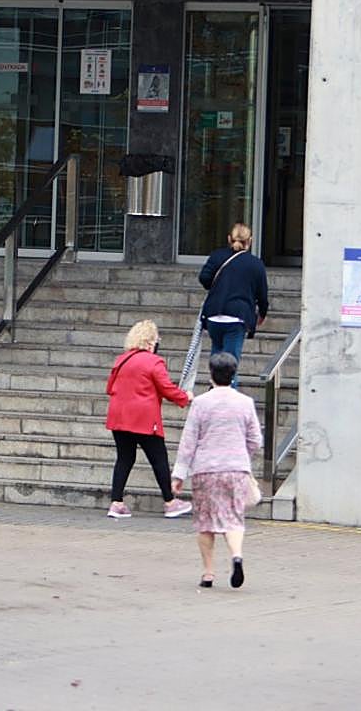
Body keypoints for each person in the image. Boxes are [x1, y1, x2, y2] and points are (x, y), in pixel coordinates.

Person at [172, 352, 262, 589]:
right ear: (233, 375)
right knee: (234, 519)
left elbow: (189, 440)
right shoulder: (245, 403)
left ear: (211, 374)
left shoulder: (201, 403)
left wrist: (179, 474)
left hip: (206, 470)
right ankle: (237, 556)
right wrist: (242, 455)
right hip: (236, 469)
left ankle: (209, 573)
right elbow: (256, 440)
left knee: (205, 522)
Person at [104, 320, 193, 520]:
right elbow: (166, 388)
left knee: (124, 458)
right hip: (144, 418)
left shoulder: (121, 360)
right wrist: (185, 397)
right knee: (158, 459)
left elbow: (109, 388)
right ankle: (170, 502)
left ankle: (116, 502)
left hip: (119, 416)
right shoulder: (154, 362)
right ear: (151, 341)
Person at [197, 222, 269, 388]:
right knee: (230, 364)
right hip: (237, 317)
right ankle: (228, 404)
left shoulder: (217, 256)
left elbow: (204, 278)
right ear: (249, 241)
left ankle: (214, 394)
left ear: (229, 238)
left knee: (217, 357)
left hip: (214, 315)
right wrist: (262, 313)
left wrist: (217, 287)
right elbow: (262, 295)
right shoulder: (255, 264)